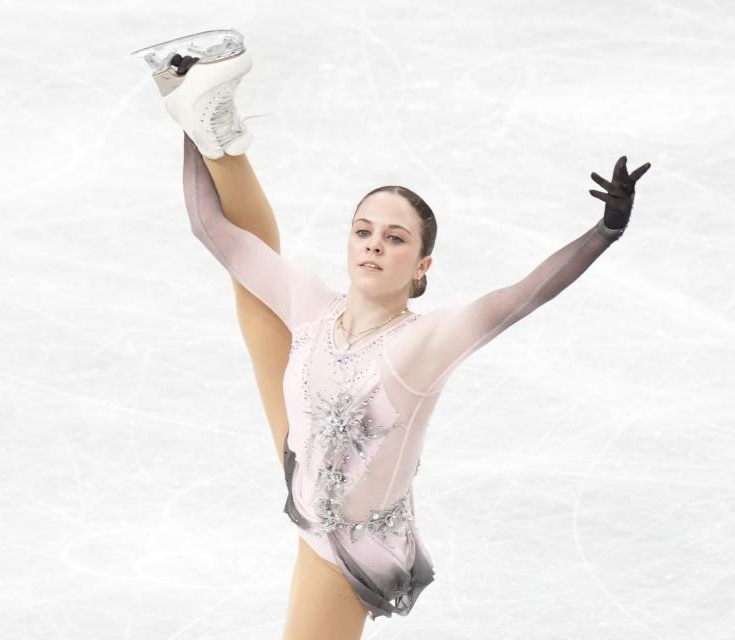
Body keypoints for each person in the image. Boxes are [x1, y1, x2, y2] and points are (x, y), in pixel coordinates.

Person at [132, 29, 650, 640]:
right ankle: (204, 111)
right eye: (364, 230)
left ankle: (203, 112)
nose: (375, 243)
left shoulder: (422, 343)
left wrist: (605, 231)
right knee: (254, 305)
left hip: (350, 542)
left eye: (396, 238)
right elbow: (210, 228)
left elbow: (520, 298)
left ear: (422, 265)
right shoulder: (310, 305)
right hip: (302, 467)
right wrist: (183, 120)